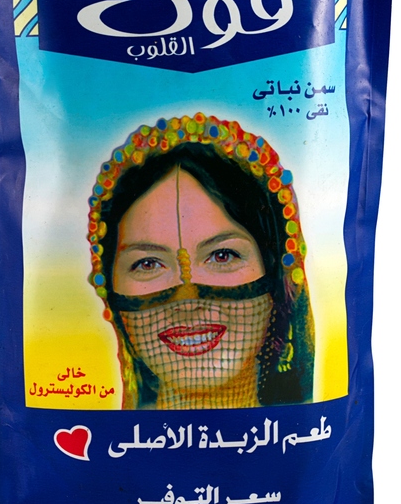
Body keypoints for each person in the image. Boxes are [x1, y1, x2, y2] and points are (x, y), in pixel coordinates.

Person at [87, 113, 314, 409]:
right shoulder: (101, 436)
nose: (188, 299)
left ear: (277, 277)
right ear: (111, 290)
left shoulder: (312, 431)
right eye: (148, 264)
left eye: (222, 256)